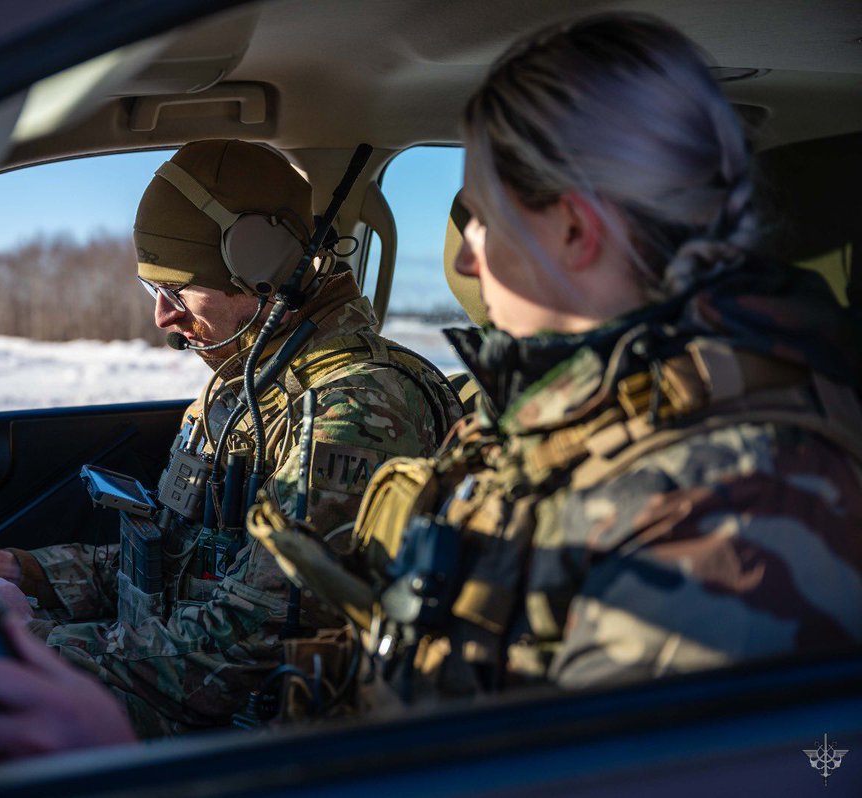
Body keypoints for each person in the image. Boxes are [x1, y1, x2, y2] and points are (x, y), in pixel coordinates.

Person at [249, 12, 862, 703]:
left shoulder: (731, 512)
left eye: (481, 218)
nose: (464, 260)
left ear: (573, 229)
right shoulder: (560, 411)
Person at [0, 138, 462, 742]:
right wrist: (20, 570)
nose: (162, 316)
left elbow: (250, 643)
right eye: (153, 291)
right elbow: (175, 560)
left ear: (262, 265)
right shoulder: (243, 388)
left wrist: (33, 640)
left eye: (176, 288)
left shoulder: (356, 408)